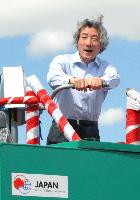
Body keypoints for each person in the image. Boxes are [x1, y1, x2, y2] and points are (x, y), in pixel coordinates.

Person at [46, 15, 120, 144]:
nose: (88, 43)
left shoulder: (106, 67)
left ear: (101, 45)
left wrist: (101, 82)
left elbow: (115, 79)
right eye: (84, 37)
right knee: (57, 164)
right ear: (77, 41)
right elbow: (52, 77)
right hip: (61, 127)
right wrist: (72, 80)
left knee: (89, 164)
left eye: (94, 38)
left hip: (90, 129)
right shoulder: (62, 60)